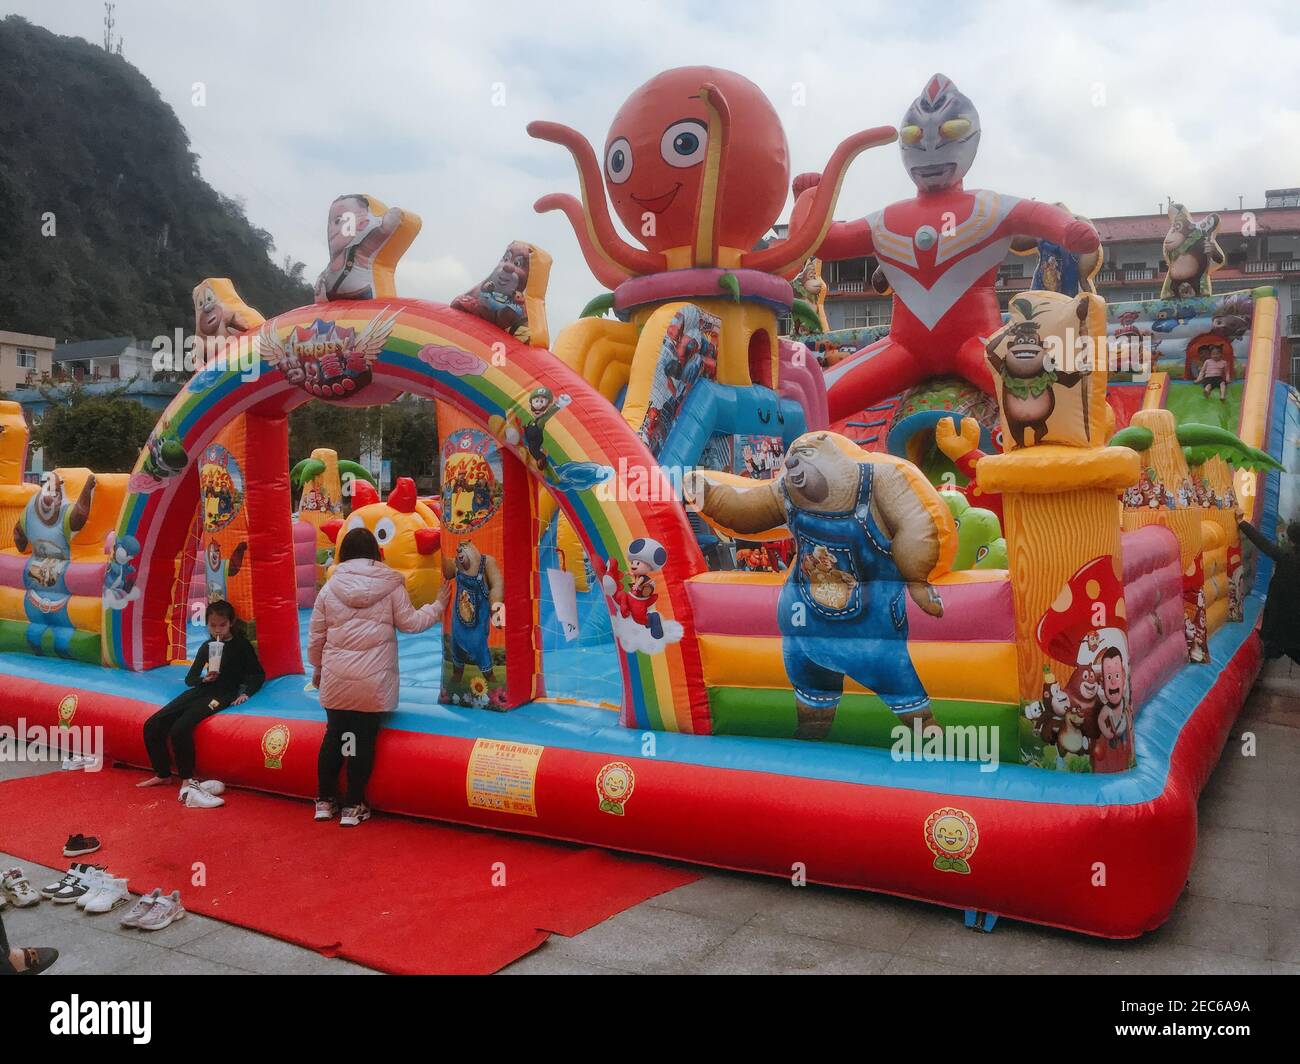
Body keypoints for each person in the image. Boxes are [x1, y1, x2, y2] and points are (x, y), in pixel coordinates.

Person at [308, 527, 448, 827]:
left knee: (335, 737)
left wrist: (318, 668)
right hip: (372, 680)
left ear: (343, 553)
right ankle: (353, 804)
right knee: (362, 741)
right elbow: (410, 623)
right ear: (376, 552)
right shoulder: (390, 585)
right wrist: (437, 606)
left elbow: (316, 635)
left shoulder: (329, 589)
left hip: (337, 675)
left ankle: (324, 799)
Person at [136, 600, 264, 807]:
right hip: (204, 689)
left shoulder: (241, 645)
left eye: (221, 625)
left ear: (230, 623)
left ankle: (188, 779)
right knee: (153, 723)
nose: (217, 630)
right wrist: (204, 679)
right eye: (212, 626)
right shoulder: (207, 646)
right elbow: (190, 678)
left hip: (223, 694)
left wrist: (246, 693)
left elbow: (257, 674)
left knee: (181, 728)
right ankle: (162, 773)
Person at [1237, 518, 1300, 662]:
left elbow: (1263, 543)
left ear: (1292, 542)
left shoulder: (1286, 558)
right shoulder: (1287, 558)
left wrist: (1242, 523)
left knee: (1279, 645)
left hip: (1282, 622)